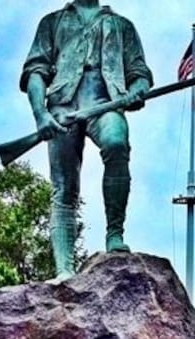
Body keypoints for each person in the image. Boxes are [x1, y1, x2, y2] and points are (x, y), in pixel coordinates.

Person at [21, 0, 154, 279]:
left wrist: (137, 91)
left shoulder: (121, 26)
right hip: (63, 109)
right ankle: (64, 270)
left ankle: (114, 235)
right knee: (64, 188)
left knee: (117, 143)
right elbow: (36, 71)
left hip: (105, 102)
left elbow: (140, 74)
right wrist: (41, 114)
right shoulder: (52, 22)